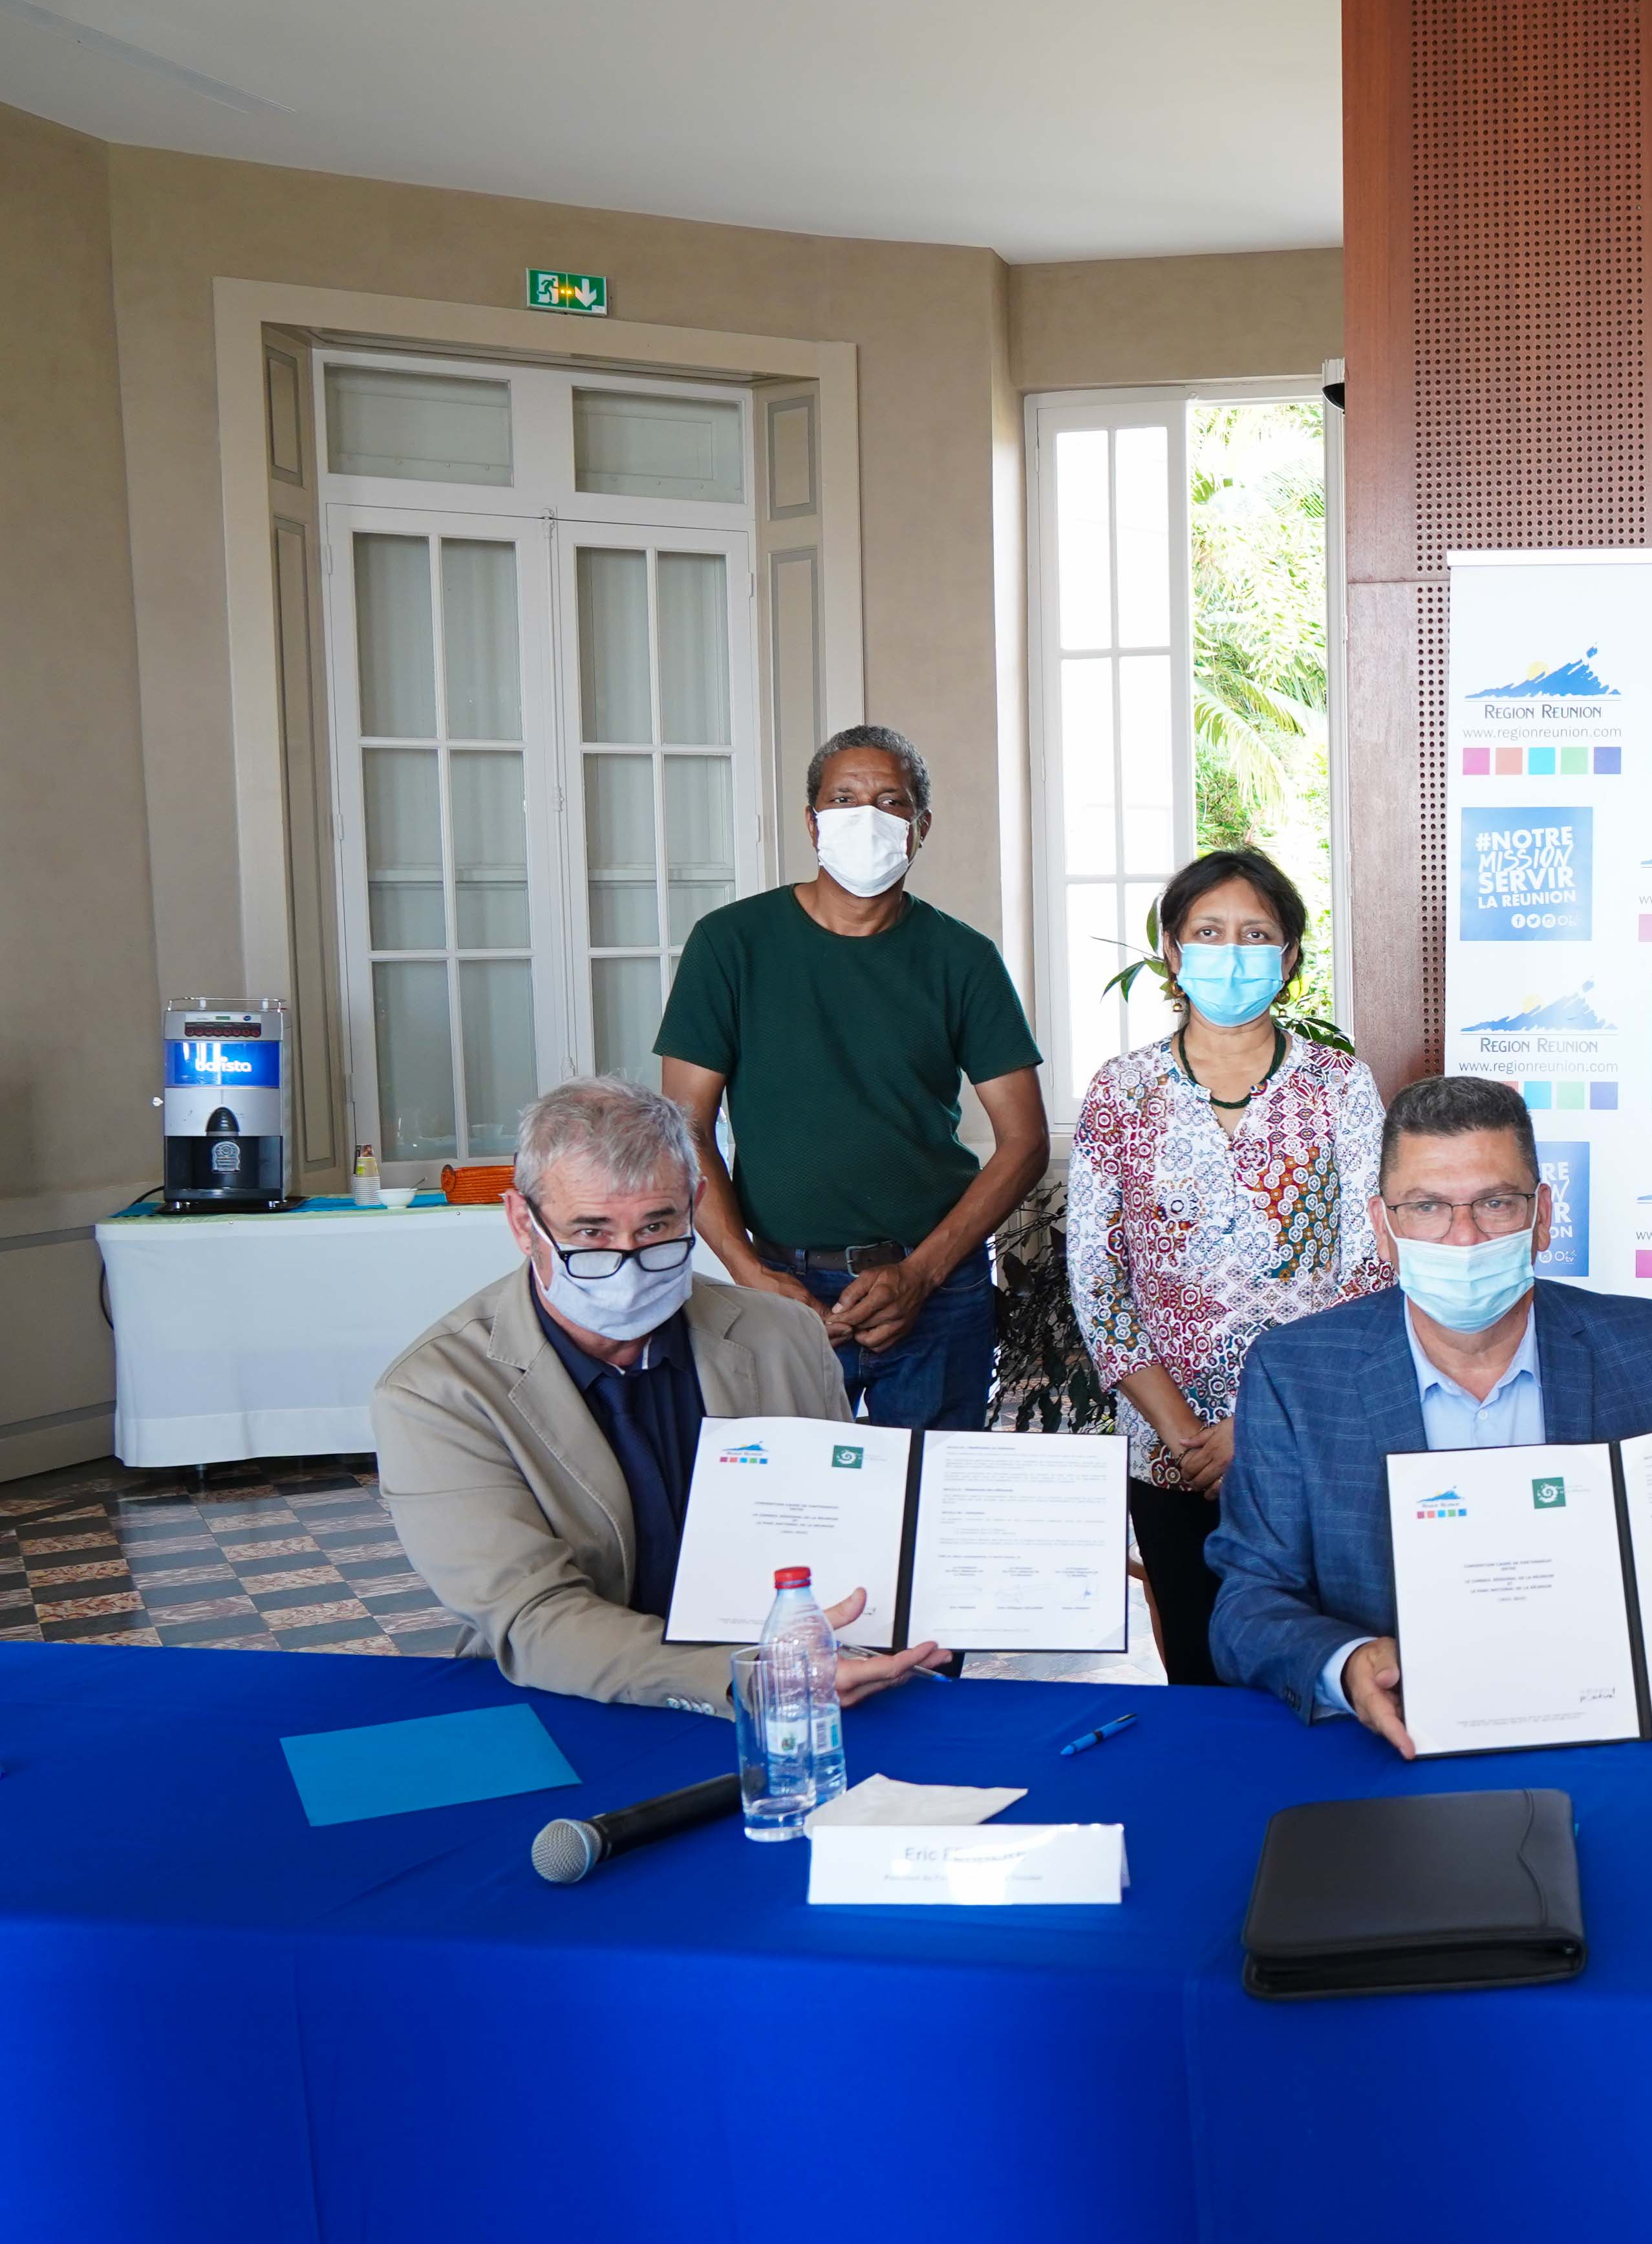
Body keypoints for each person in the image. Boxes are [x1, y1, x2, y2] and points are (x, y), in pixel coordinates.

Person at [373, 1077, 952, 1709]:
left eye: (656, 1226)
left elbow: (837, 1536)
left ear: (695, 1204)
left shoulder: (784, 1336)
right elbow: (533, 1617)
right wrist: (747, 1676)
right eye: (591, 1233)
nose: (627, 1263)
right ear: (522, 1223)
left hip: (797, 1684)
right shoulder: (436, 1392)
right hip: (568, 1700)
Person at [1207, 1076, 1652, 1754]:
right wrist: (1347, 1664)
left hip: (1607, 1738)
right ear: (1383, 1227)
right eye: (1427, 1206)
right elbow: (1247, 1606)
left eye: (1495, 1203)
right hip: (1394, 1751)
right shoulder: (1295, 1373)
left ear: (1542, 1216)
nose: (1463, 1238)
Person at [657, 723, 1046, 1432]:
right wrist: (749, 1271)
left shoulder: (963, 958)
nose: (866, 817)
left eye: (890, 801)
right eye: (843, 800)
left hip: (936, 1282)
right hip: (780, 1281)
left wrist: (923, 1274)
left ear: (920, 827)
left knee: (928, 1489)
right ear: (812, 823)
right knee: (786, 1490)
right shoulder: (731, 944)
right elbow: (685, 1128)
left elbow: (1025, 1142)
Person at [1070, 847, 1390, 1686]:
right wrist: (1186, 1436)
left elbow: (1369, 1271)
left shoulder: (1340, 1087)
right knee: (1201, 1671)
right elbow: (1099, 1281)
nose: (1232, 952)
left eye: (1255, 934)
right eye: (1209, 932)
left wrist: (1259, 1426)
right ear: (1173, 951)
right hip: (1168, 1451)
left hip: (1309, 1441)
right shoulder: (1122, 1091)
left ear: (1289, 957)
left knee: (1321, 1671)